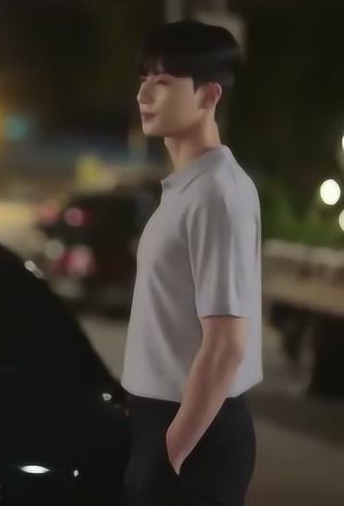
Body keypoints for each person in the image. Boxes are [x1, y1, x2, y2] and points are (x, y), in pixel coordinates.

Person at [122, 20, 260, 506]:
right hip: (165, 422)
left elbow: (226, 345)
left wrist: (171, 455)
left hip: (193, 430)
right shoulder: (189, 188)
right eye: (144, 78)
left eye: (163, 81)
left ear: (208, 95)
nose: (144, 94)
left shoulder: (216, 195)